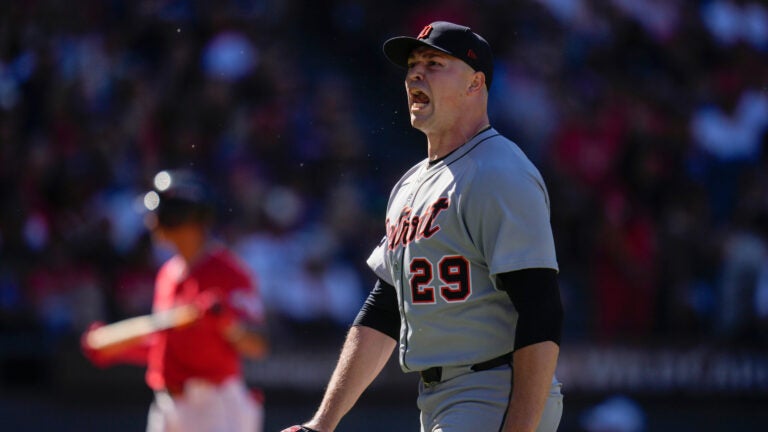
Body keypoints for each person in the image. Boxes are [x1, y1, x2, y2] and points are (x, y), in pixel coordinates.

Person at [282, 21, 564, 432]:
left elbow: (542, 308)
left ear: (475, 84)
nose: (415, 73)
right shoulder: (411, 183)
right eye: (413, 64)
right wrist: (322, 423)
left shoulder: (499, 171)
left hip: (494, 390)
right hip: (441, 398)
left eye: (434, 63)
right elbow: (384, 309)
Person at [81, 169, 269, 432]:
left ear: (181, 216)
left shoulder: (229, 273)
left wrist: (227, 324)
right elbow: (165, 340)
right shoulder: (168, 272)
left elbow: (258, 344)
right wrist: (117, 347)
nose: (151, 221)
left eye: (159, 213)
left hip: (214, 405)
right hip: (168, 405)